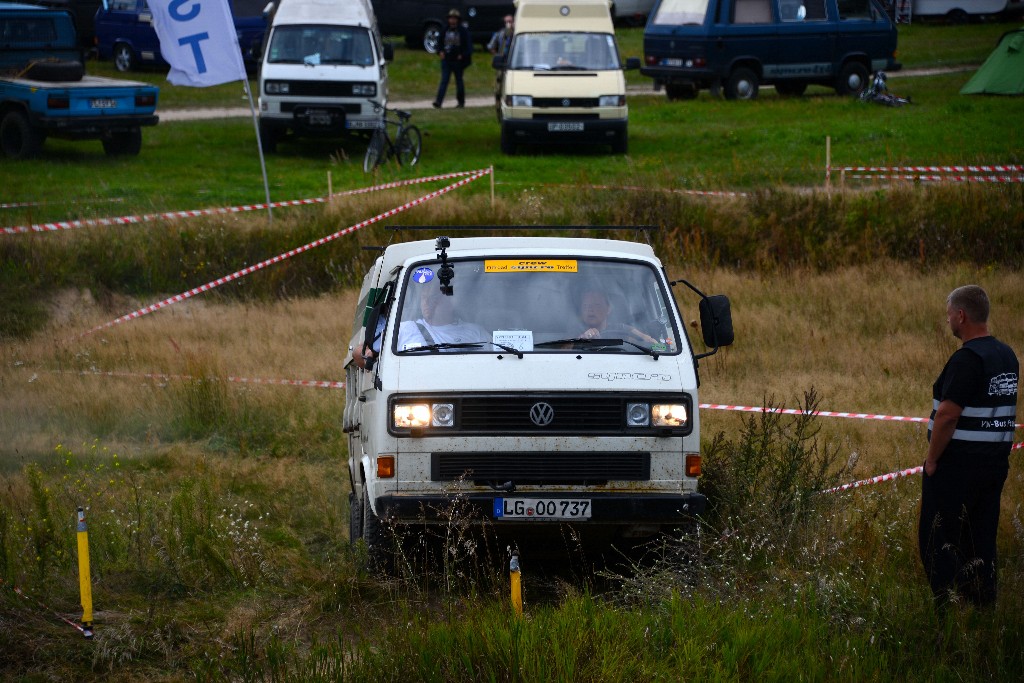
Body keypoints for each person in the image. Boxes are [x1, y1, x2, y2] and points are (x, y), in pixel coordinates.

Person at [919, 285, 1019, 611]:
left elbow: (948, 414)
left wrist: (932, 461)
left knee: (940, 540)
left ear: (961, 316)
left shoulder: (967, 359)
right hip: (994, 465)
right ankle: (981, 603)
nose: (947, 319)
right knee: (980, 538)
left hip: (957, 468)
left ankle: (949, 608)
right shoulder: (1006, 355)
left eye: (949, 314)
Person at [396, 285, 487, 350]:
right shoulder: (402, 330)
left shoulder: (476, 332)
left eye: (433, 298)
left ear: (451, 301)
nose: (426, 302)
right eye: (424, 298)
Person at [572, 288, 657, 346]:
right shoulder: (574, 330)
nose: (590, 309)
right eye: (585, 306)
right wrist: (581, 340)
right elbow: (562, 349)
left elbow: (643, 339)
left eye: (596, 305)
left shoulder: (620, 329)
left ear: (608, 309)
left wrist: (648, 340)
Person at [433, 9, 473, 109]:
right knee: (444, 81)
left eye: (454, 18)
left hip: (458, 61)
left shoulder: (463, 31)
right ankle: (438, 102)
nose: (452, 20)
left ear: (458, 20)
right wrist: (440, 52)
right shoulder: (444, 30)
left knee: (459, 81)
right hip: (446, 60)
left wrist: (462, 55)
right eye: (451, 18)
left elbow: (469, 47)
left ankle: (461, 102)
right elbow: (439, 44)